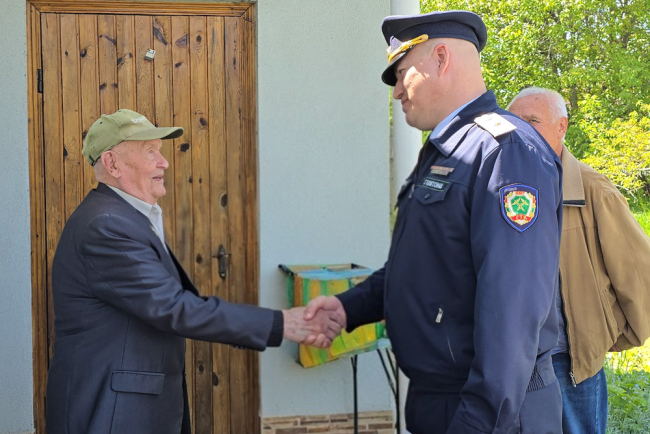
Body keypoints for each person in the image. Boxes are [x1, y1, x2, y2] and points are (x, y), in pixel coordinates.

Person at [304, 10, 564, 434]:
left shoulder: (504, 152)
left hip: (490, 411)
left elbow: (512, 311)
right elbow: (421, 267)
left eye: (401, 73)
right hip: (441, 402)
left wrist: (475, 423)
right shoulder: (449, 150)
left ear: (441, 58)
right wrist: (347, 307)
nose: (396, 92)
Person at [45, 109, 342, 434]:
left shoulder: (122, 217)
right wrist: (283, 323)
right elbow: (172, 307)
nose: (164, 163)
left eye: (160, 151)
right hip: (113, 414)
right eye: (150, 152)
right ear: (113, 163)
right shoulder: (107, 225)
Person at [507, 87, 650, 434]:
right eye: (513, 122)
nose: (520, 129)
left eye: (532, 120)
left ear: (562, 127)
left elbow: (636, 270)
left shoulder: (593, 190)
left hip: (566, 359)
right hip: (510, 357)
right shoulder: (498, 186)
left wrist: (621, 334)